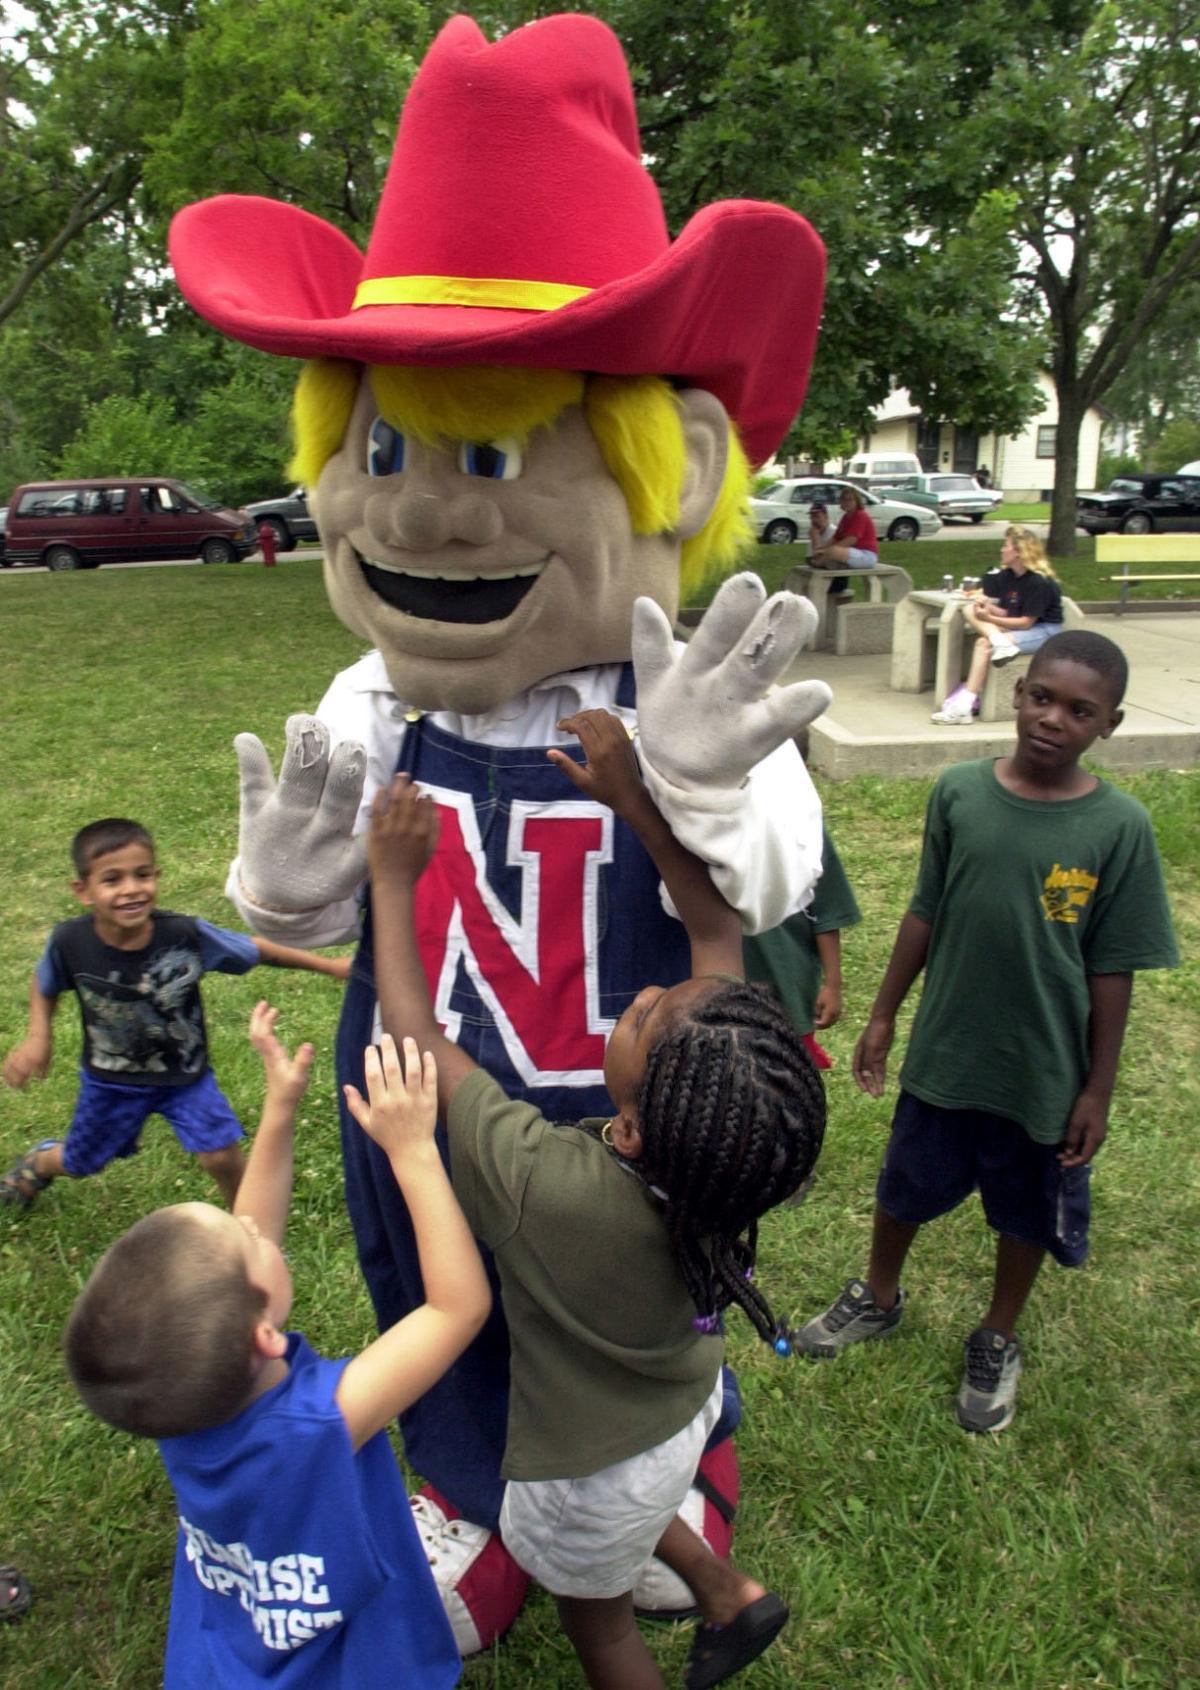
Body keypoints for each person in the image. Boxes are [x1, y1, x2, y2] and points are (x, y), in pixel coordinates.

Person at [170, 13, 834, 1642]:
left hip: (628, 1114)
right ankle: (474, 1494)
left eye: (488, 454)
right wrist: (285, 876)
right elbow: (306, 879)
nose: (421, 509)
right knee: (434, 1300)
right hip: (422, 1104)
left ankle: (677, 1470)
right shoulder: (374, 698)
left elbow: (773, 879)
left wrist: (701, 784)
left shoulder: (671, 691)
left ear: (665, 471)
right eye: (382, 448)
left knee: (649, 1300)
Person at [365, 707, 826, 1690]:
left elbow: (418, 1035)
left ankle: (663, 1615)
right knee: (652, 1491)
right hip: (678, 1411)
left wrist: (393, 883)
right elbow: (711, 926)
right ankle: (724, 1589)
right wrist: (634, 802)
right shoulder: (727, 1149)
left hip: (582, 1470)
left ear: (628, 1129)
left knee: (600, 1624)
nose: (652, 994)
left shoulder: (552, 1187)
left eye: (647, 1012)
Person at [796, 631, 1178, 1432]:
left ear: (1106, 726)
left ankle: (998, 1334)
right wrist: (882, 1013)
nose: (1052, 720)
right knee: (903, 1185)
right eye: (1041, 697)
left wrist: (1097, 1088)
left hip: (1042, 1069)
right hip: (948, 1053)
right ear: (1016, 692)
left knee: (1024, 1210)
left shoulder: (1121, 825)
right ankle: (880, 1293)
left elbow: (1114, 970)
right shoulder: (960, 792)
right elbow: (925, 910)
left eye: (1080, 711)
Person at [64, 1001, 489, 1687]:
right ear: (263, 1335)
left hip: (225, 1663)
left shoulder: (180, 1400)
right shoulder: (321, 1422)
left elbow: (246, 1235)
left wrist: (281, 1109)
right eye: (249, 1243)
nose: (255, 1227)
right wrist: (413, 1151)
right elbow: (455, 1307)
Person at [1, 818, 350, 1211]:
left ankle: (249, 1233)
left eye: (143, 875)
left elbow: (257, 950)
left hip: (186, 1077)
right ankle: (40, 1162)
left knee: (220, 1154)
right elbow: (44, 983)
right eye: (112, 880)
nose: (131, 889)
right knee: (82, 1162)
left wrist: (331, 965)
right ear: (83, 891)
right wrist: (38, 1036)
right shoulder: (70, 942)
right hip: (111, 1081)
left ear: (156, 876)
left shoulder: (184, 935)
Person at [743, 729, 861, 1073]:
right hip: (731, 979)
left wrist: (833, 983)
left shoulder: (806, 828)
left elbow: (827, 912)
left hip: (788, 981)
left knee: (787, 1074)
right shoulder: (720, 827)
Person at [932, 525, 1063, 724]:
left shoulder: (1038, 582)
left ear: (1019, 552)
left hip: (1044, 631)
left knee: (984, 643)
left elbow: (1026, 623)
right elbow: (1009, 613)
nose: (1002, 550)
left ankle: (963, 707)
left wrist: (989, 618)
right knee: (970, 611)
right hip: (1021, 627)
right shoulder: (1010, 576)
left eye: (1006, 546)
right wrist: (986, 609)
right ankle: (965, 707)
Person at [809, 484, 877, 594]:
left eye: (850, 500)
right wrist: (821, 548)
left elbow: (851, 540)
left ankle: (818, 563)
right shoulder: (846, 517)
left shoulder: (860, 516)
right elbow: (836, 537)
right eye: (844, 500)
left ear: (856, 501)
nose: (847, 502)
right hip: (853, 553)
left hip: (867, 555)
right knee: (829, 551)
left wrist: (827, 551)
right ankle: (823, 561)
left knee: (834, 551)